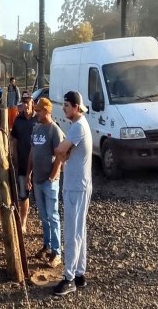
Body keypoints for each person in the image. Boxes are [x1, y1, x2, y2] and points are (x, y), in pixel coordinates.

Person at [53, 91, 93, 297]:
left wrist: (62, 153)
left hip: (76, 186)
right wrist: (63, 153)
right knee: (79, 232)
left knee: (72, 233)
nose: (64, 108)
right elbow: (62, 152)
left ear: (76, 106)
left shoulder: (77, 126)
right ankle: (79, 273)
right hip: (80, 184)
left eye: (67, 105)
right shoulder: (78, 125)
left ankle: (69, 278)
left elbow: (59, 150)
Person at [26, 97, 64, 268]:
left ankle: (57, 252)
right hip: (37, 180)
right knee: (43, 216)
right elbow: (32, 153)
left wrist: (54, 174)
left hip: (49, 181)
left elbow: (60, 155)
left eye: (39, 110)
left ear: (47, 111)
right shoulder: (36, 129)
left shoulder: (54, 130)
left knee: (53, 216)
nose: (37, 113)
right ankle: (47, 246)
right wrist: (28, 174)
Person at [10, 91, 38, 233]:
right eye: (24, 102)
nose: (26, 104)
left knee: (39, 195)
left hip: (37, 165)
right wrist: (14, 155)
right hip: (22, 163)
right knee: (23, 195)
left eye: (28, 101)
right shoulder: (18, 120)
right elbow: (13, 139)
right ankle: (23, 222)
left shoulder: (38, 119)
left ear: (33, 103)